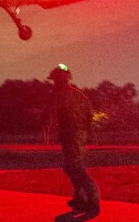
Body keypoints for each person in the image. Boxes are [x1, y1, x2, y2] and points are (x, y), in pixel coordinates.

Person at [43, 64, 100, 213]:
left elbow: (51, 111)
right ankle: (80, 197)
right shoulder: (78, 94)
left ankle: (93, 199)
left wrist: (43, 117)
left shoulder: (60, 94)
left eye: (56, 79)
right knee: (70, 167)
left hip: (73, 135)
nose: (54, 82)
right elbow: (89, 114)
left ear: (62, 79)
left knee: (76, 167)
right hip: (74, 135)